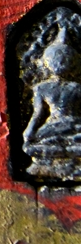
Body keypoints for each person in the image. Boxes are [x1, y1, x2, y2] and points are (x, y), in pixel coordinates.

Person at [23, 27, 81, 181]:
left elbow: (37, 115)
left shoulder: (75, 88)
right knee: (30, 147)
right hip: (57, 128)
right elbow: (38, 115)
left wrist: (29, 132)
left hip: (70, 126)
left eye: (65, 60)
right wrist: (29, 132)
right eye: (58, 59)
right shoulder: (42, 88)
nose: (61, 64)